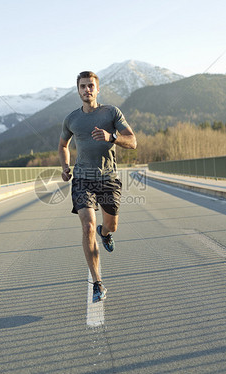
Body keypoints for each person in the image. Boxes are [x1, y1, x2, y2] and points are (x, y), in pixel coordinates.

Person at [58, 71, 137, 302]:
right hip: (83, 178)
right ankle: (97, 283)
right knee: (87, 227)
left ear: (98, 89)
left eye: (91, 86)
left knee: (109, 225)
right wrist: (65, 166)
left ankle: (106, 233)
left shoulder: (111, 112)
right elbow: (63, 144)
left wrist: (111, 137)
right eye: (83, 86)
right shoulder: (71, 119)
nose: (87, 90)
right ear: (78, 90)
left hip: (108, 178)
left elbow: (132, 141)